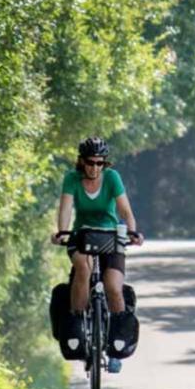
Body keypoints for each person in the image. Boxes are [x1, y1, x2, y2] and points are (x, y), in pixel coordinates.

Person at [51, 136, 144, 371]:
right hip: (81, 235)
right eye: (90, 162)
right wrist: (61, 232)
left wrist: (133, 232)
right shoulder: (72, 179)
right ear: (81, 161)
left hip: (111, 236)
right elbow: (66, 209)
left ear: (105, 163)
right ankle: (78, 326)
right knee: (83, 267)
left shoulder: (112, 178)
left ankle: (116, 345)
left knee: (113, 286)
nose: (94, 168)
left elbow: (125, 211)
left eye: (100, 163)